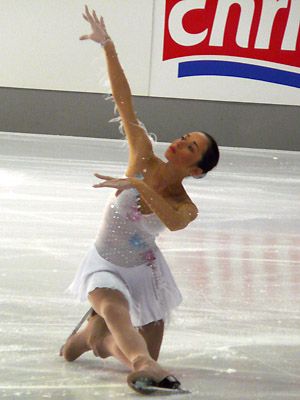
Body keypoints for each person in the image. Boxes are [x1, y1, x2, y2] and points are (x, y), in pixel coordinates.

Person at [61, 5, 219, 394]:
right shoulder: (142, 156)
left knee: (119, 337)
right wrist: (108, 46)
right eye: (185, 136)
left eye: (191, 146)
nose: (180, 141)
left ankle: (89, 339)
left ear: (195, 170)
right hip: (106, 261)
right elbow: (124, 100)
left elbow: (173, 218)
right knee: (115, 311)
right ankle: (138, 360)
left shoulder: (185, 205)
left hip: (145, 274)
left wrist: (140, 186)